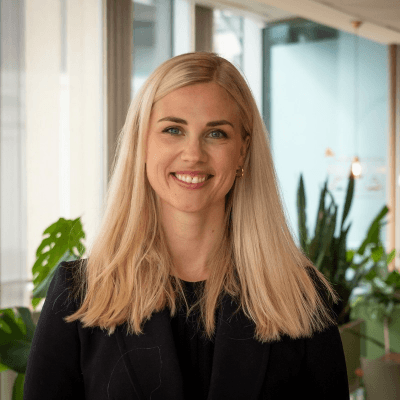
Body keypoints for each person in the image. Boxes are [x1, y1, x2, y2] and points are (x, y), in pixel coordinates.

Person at [24, 52, 349, 400]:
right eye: (173, 130)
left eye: (216, 134)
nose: (193, 154)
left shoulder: (299, 298)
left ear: (243, 151)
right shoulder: (78, 295)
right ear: (142, 143)